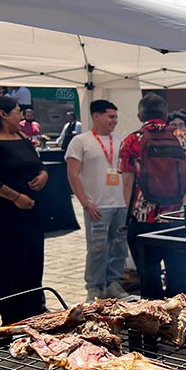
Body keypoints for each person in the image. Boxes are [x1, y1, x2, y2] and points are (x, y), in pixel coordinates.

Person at [119, 93, 186, 298]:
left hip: (144, 222)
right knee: (179, 278)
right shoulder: (183, 137)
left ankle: (154, 324)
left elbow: (128, 183)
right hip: (177, 219)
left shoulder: (131, 140)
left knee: (149, 280)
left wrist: (130, 215)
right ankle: (179, 322)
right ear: (165, 114)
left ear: (140, 116)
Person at [0, 95, 49, 324]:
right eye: (18, 111)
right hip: (1, 213)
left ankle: (36, 310)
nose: (22, 114)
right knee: (11, 262)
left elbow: (37, 163)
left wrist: (43, 175)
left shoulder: (20, 136)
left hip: (30, 211)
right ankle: (14, 318)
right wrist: (15, 197)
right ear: (3, 114)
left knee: (33, 258)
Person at [65, 100, 129, 301]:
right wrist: (85, 202)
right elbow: (73, 174)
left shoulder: (121, 141)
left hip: (119, 204)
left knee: (119, 248)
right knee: (98, 249)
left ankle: (114, 284)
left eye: (116, 117)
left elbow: (127, 174)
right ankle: (94, 288)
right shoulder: (80, 141)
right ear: (96, 116)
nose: (115, 121)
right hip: (96, 205)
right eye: (111, 117)